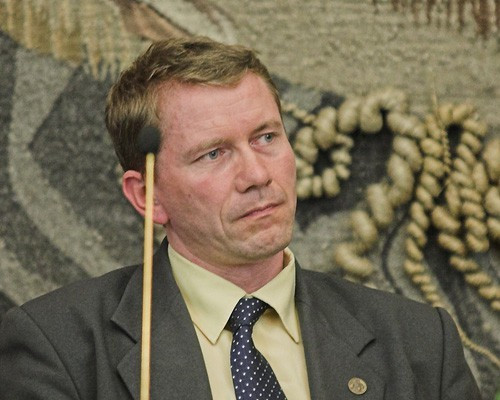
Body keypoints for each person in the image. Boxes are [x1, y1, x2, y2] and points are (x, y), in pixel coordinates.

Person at [0, 36, 481, 400]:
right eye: (214, 153)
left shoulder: (420, 343)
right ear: (148, 196)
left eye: (266, 137)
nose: (257, 174)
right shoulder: (58, 349)